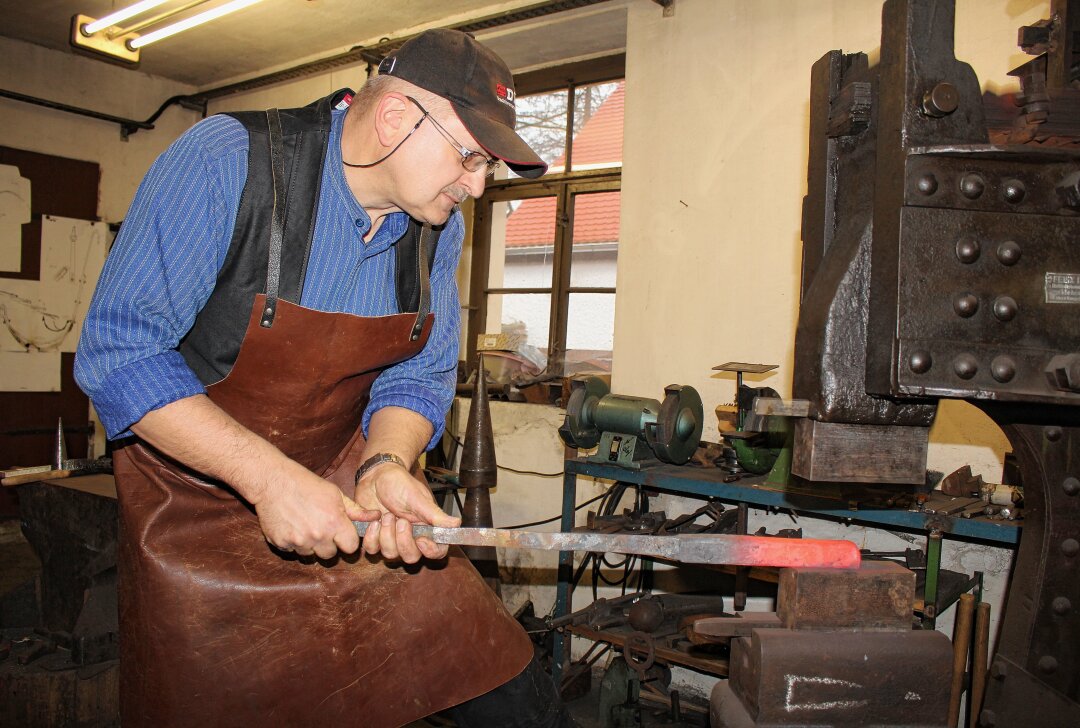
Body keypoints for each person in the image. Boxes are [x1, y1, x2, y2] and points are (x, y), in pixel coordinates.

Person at [75, 28, 571, 726]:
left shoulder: (436, 227)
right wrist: (268, 479)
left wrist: (388, 463)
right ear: (396, 116)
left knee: (512, 695)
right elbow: (120, 355)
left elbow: (417, 374)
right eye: (469, 156)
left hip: (347, 503)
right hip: (194, 513)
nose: (478, 185)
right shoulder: (229, 161)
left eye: (487, 167)